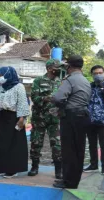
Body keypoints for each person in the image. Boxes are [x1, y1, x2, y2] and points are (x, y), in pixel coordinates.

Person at [52, 55, 91, 189]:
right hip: (83, 115)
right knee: (78, 149)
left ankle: (67, 181)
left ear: (69, 67)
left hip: (71, 116)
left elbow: (58, 98)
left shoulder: (70, 80)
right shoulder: (85, 80)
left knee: (68, 150)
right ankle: (74, 181)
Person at [28, 59, 63, 179]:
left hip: (55, 119)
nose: (59, 69)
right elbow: (34, 98)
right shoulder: (38, 81)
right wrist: (48, 98)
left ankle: (58, 170)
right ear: (49, 69)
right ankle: (34, 166)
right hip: (40, 118)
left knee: (57, 144)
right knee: (36, 143)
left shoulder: (61, 82)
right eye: (57, 67)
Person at [0, 66, 30, 179]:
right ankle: (1, 167)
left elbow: (23, 103)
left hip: (14, 116)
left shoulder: (19, 87)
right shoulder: (2, 87)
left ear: (8, 74)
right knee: (2, 142)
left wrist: (21, 119)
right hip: (3, 116)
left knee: (13, 143)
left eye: (1, 75)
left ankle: (12, 169)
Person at [84, 65, 104, 174]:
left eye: (100, 73)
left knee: (103, 144)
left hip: (103, 121)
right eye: (95, 73)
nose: (98, 75)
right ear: (92, 75)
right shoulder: (89, 86)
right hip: (90, 120)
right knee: (92, 144)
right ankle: (93, 165)